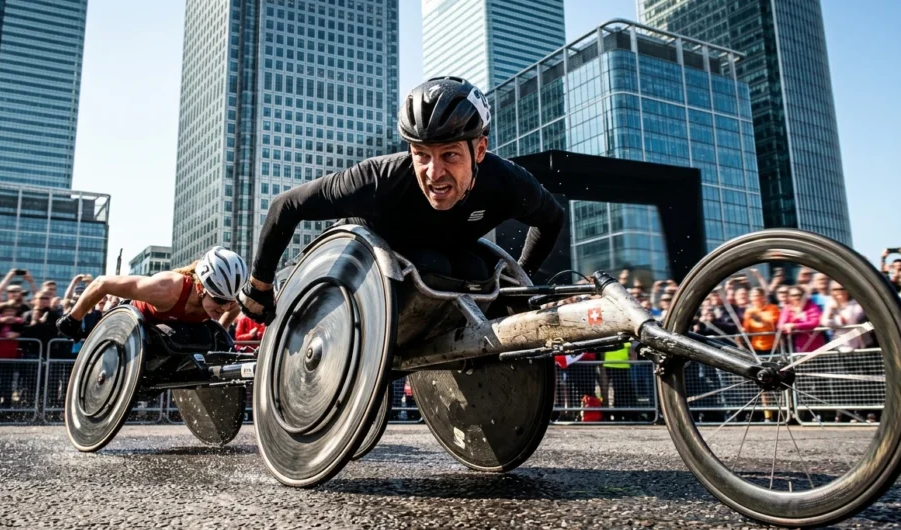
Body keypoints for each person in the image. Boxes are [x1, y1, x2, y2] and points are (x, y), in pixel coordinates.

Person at [238, 76, 564, 324]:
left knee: (476, 271)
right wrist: (259, 286)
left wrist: (523, 278)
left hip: (442, 259)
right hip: (361, 268)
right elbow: (287, 205)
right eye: (421, 155)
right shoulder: (378, 180)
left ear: (479, 150)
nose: (434, 173)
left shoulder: (506, 182)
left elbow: (552, 218)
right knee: (436, 265)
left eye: (449, 155)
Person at [57, 247, 247, 348]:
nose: (225, 307)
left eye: (230, 302)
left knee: (216, 337)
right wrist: (73, 320)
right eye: (220, 301)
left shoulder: (229, 302)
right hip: (138, 327)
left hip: (178, 330)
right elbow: (102, 284)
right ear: (200, 287)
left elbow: (238, 305)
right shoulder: (166, 289)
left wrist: (223, 326)